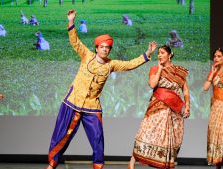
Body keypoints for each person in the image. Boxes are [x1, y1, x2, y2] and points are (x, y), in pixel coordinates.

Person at [45, 9, 157, 169]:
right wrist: (71, 21)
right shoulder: (87, 56)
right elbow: (75, 41)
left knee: (97, 139)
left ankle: (98, 166)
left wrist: (147, 53)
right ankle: (52, 165)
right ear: (97, 48)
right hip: (73, 102)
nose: (105, 49)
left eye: (107, 48)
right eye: (102, 47)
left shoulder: (111, 64)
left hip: (92, 107)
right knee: (63, 135)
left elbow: (130, 65)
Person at [128, 45, 190, 169]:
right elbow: (152, 84)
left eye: (162, 53)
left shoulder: (179, 71)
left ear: (170, 55)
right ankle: (132, 161)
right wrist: (160, 69)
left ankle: (164, 163)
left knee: (171, 138)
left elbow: (185, 91)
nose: (159, 55)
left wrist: (187, 105)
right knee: (147, 133)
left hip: (174, 109)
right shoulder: (154, 68)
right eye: (158, 53)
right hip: (157, 106)